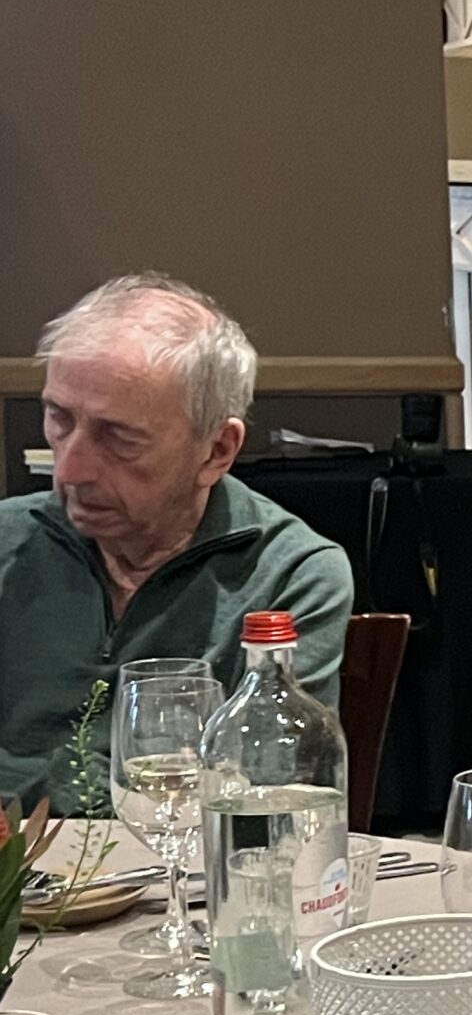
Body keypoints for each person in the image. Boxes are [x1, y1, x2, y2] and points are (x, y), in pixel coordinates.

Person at [0, 274, 351, 810]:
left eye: (118, 437)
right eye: (59, 419)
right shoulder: (8, 542)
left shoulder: (290, 574)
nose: (69, 469)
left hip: (178, 862)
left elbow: (268, 804)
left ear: (216, 449)